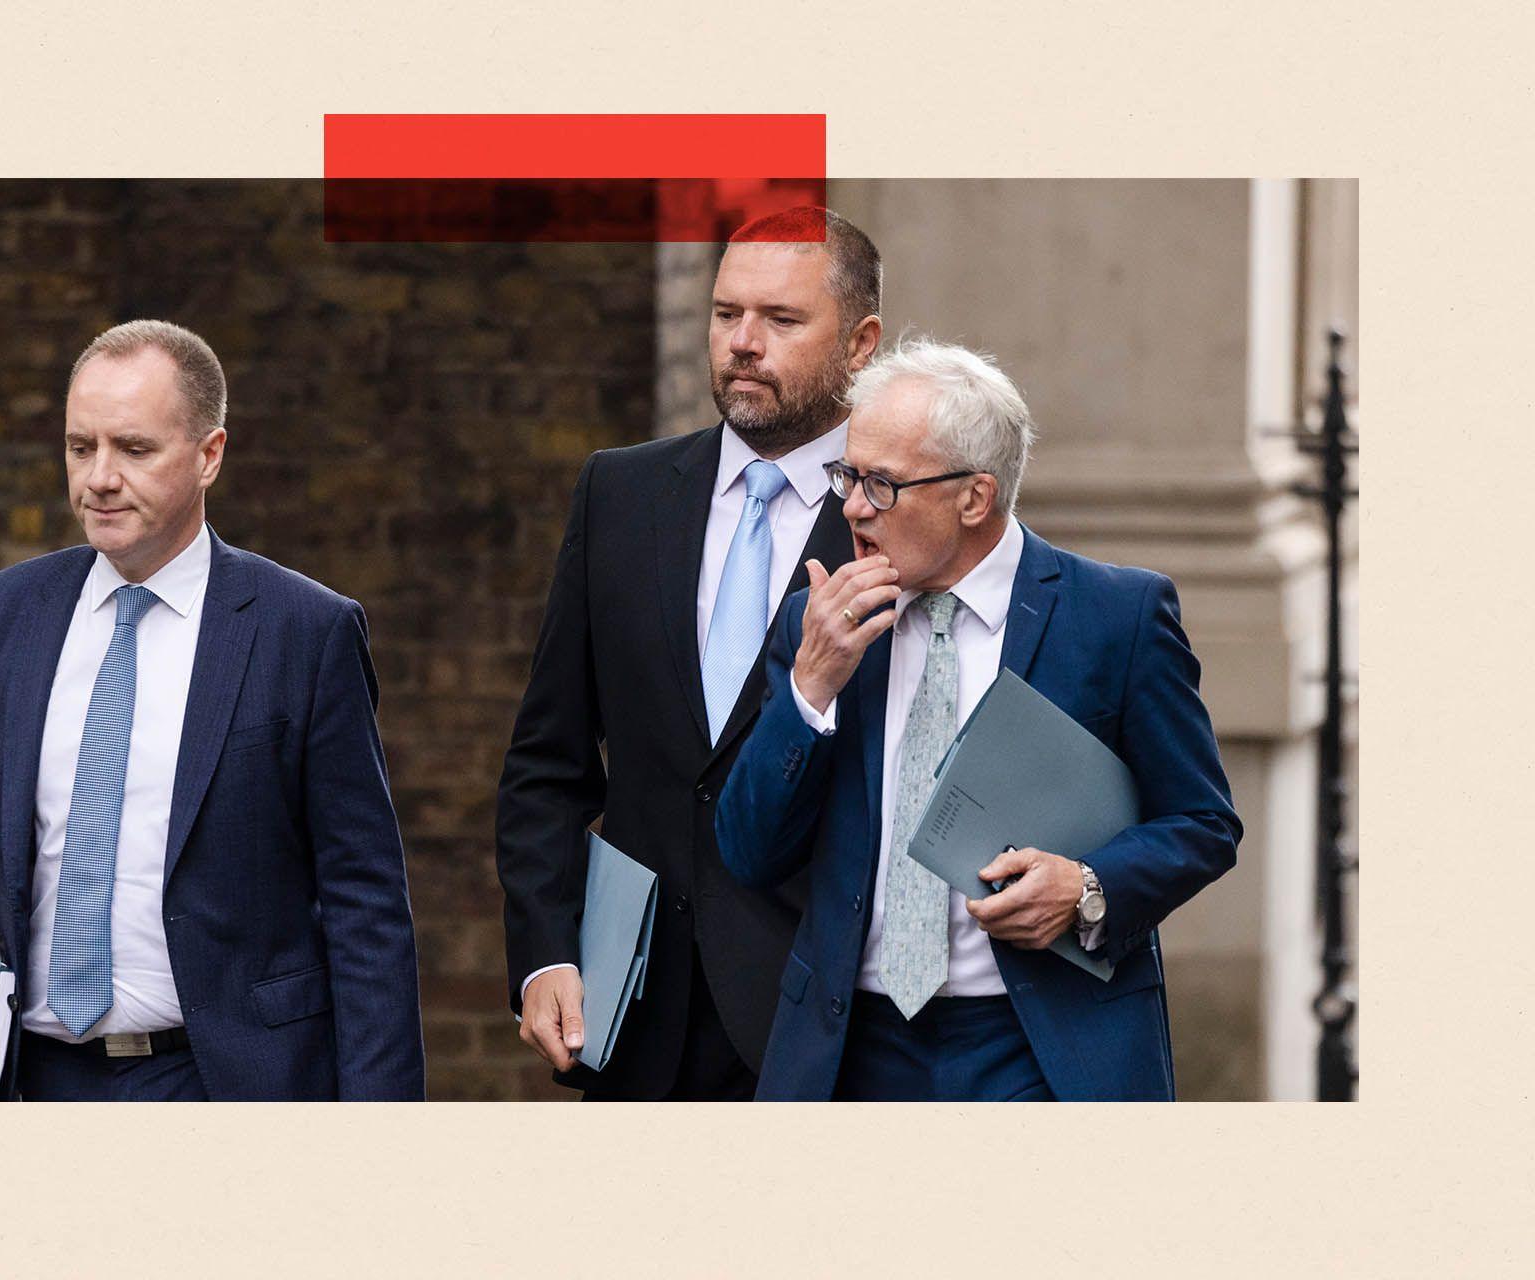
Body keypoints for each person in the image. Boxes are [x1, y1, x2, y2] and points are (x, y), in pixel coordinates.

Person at [0, 320, 423, 1101]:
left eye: (134, 449)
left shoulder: (304, 630)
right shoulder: (10, 613)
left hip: (228, 1082)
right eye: (81, 447)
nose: (100, 478)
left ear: (210, 455)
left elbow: (364, 899)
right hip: (30, 1079)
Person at [716, 337, 1241, 1101]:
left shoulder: (1115, 616)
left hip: (1040, 1047)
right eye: (847, 476)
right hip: (849, 1049)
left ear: (974, 498)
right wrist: (811, 688)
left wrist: (1087, 887)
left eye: (881, 485)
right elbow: (749, 852)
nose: (851, 506)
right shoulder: (817, 623)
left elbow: (1203, 823)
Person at [497, 208, 882, 1099]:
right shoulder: (618, 493)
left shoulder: (897, 514)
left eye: (780, 319)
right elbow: (547, 764)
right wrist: (545, 953)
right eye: (725, 313)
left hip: (822, 1027)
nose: (743, 341)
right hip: (634, 1017)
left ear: (860, 345)